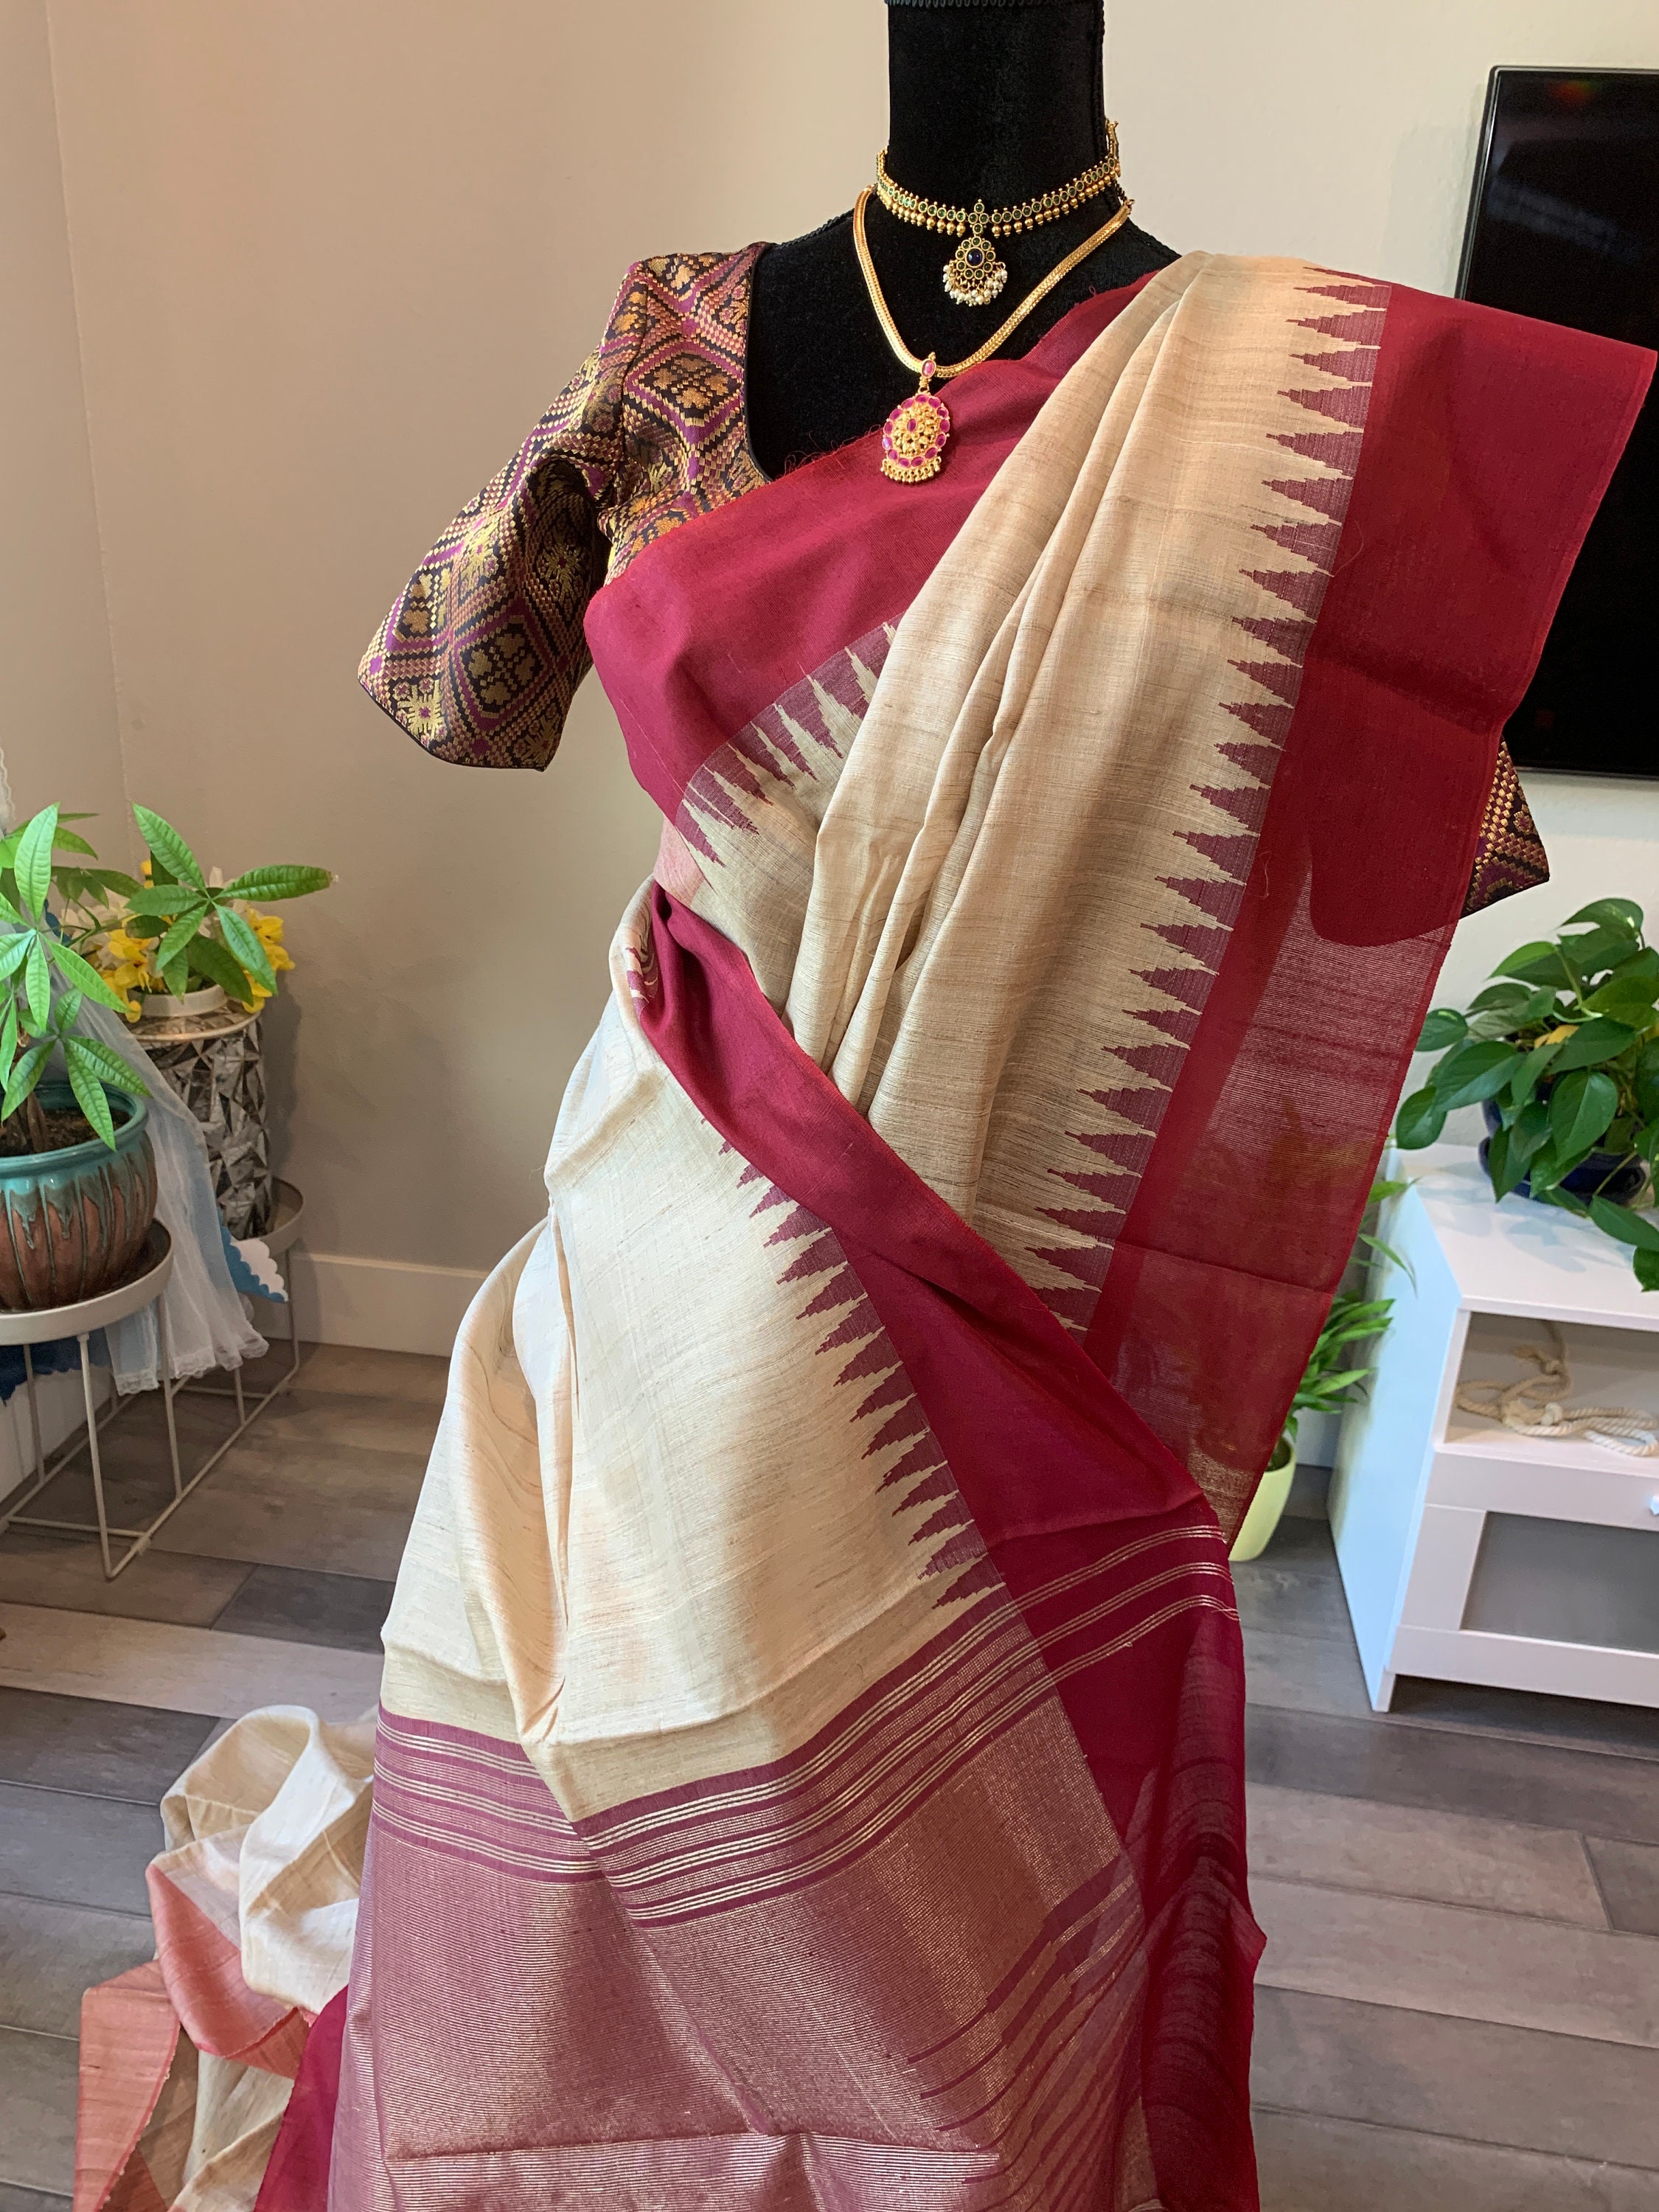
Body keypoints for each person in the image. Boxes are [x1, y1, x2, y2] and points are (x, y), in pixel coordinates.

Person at [77, 5, 1652, 2208]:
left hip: (1023, 1248)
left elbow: (1418, 840)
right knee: (614, 1717)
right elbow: (459, 667)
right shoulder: (683, 334)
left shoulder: (1267, 407)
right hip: (680, 1191)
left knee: (928, 1793)